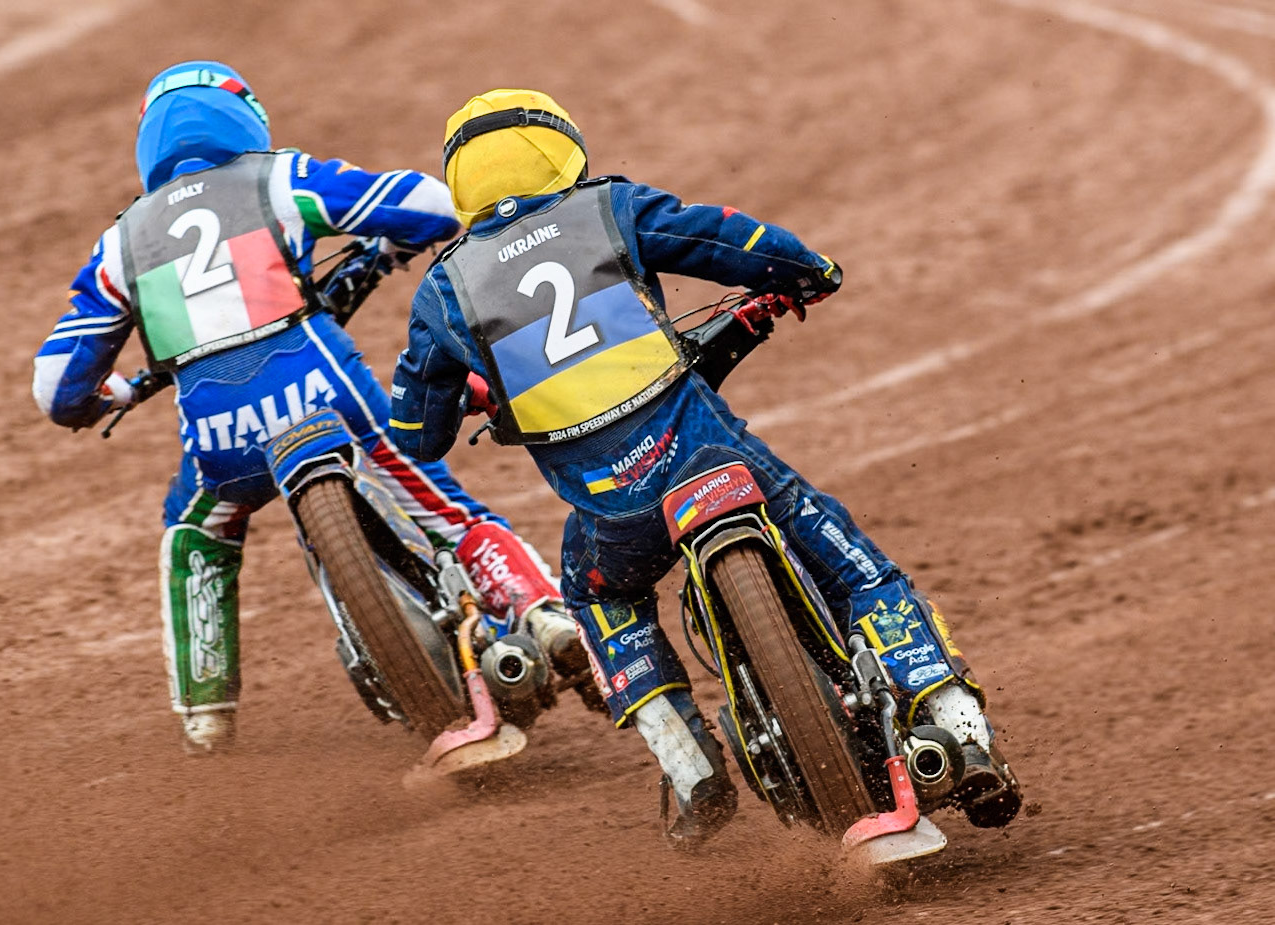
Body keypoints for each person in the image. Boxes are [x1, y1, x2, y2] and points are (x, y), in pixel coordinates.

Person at [388, 89, 1022, 846]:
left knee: (597, 595)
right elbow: (727, 240)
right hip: (710, 455)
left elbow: (416, 433)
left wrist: (479, 391)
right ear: (560, 151)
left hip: (615, 516)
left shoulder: (444, 288)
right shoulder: (607, 208)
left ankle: (690, 767)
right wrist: (807, 269)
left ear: (463, 184)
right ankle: (955, 719)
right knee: (856, 570)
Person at [32, 63, 586, 753]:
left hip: (221, 437)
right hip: (323, 384)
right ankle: (544, 612)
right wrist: (383, 250)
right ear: (242, 116)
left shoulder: (122, 242)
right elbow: (433, 206)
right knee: (444, 512)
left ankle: (207, 717)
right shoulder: (276, 178)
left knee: (195, 532)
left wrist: (109, 394)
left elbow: (56, 387)